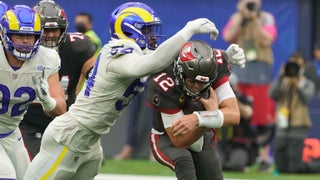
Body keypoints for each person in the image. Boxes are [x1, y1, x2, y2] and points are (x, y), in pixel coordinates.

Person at [23, 1, 221, 179]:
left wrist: (222, 59)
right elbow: (150, 63)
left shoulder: (140, 52)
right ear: (129, 30)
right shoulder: (116, 50)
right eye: (147, 30)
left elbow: (177, 62)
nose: (152, 36)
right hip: (70, 136)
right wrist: (188, 30)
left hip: (90, 142)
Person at [146, 40, 246, 180]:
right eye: (192, 81)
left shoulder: (215, 69)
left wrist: (201, 118)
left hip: (203, 139)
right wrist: (209, 118)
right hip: (167, 138)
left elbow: (234, 114)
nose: (197, 87)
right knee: (184, 161)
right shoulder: (164, 82)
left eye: (203, 82)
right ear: (180, 72)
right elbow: (179, 141)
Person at [19, 0, 96, 159]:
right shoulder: (21, 50)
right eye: (46, 29)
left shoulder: (77, 46)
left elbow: (97, 76)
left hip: (66, 120)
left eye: (56, 29)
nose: (52, 35)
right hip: (29, 122)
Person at [0, 5, 66, 180]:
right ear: (5, 34)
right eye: (19, 34)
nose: (25, 41)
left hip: (10, 131)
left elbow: (61, 109)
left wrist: (47, 101)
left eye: (30, 35)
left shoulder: (47, 58)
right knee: (6, 175)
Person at [222, 0, 277, 171]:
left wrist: (254, 19)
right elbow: (228, 37)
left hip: (260, 74)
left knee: (263, 119)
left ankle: (264, 158)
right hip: (240, 72)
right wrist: (242, 19)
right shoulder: (236, 17)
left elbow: (267, 39)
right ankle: (233, 153)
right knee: (238, 116)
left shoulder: (266, 18)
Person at [269, 52, 315, 173]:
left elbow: (306, 98)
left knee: (295, 167)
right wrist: (280, 76)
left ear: (303, 67)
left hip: (298, 126)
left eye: (297, 65)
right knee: (280, 166)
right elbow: (271, 94)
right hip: (282, 125)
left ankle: (316, 167)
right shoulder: (282, 81)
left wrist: (297, 85)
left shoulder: (307, 83)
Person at [217, 73, 259, 171]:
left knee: (237, 164)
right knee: (217, 164)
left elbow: (248, 113)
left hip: (238, 142)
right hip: (219, 141)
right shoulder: (215, 98)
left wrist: (232, 101)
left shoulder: (243, 99)